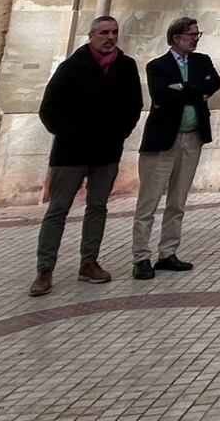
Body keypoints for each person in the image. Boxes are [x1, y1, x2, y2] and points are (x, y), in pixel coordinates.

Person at [29, 15, 143, 297]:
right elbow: (49, 109)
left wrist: (119, 134)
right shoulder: (71, 67)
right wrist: (72, 135)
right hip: (71, 152)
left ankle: (89, 262)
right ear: (92, 35)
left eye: (114, 32)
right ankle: (45, 269)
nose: (110, 37)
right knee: (58, 210)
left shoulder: (126, 66)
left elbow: (133, 106)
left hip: (107, 151)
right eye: (104, 32)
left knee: (98, 206)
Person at [131, 16, 220, 280]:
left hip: (192, 137)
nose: (196, 38)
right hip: (162, 141)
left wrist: (183, 89)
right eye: (192, 34)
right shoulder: (157, 66)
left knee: (178, 200)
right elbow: (161, 96)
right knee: (149, 201)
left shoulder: (201, 61)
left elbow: (213, 83)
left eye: (197, 34)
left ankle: (168, 251)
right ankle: (141, 256)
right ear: (176, 38)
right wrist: (195, 91)